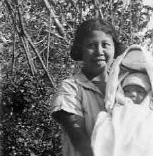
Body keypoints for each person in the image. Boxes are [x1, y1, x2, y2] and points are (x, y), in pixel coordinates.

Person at [51, 19, 125, 156]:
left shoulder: (124, 85)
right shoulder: (71, 88)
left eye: (105, 45)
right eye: (91, 45)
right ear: (80, 50)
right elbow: (78, 138)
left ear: (114, 48)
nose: (99, 51)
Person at [91, 45, 153, 156]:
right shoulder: (108, 118)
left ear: (149, 94)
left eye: (139, 91)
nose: (132, 94)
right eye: (127, 91)